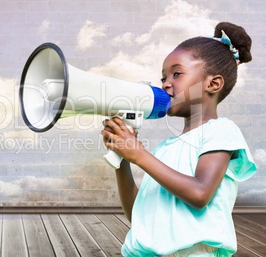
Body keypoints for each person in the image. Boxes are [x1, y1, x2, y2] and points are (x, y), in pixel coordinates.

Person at [101, 22, 258, 256]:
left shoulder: (221, 131)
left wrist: (138, 155)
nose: (165, 83)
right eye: (163, 77)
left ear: (213, 84)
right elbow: (139, 215)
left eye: (177, 74)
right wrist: (123, 159)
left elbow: (199, 193)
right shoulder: (166, 148)